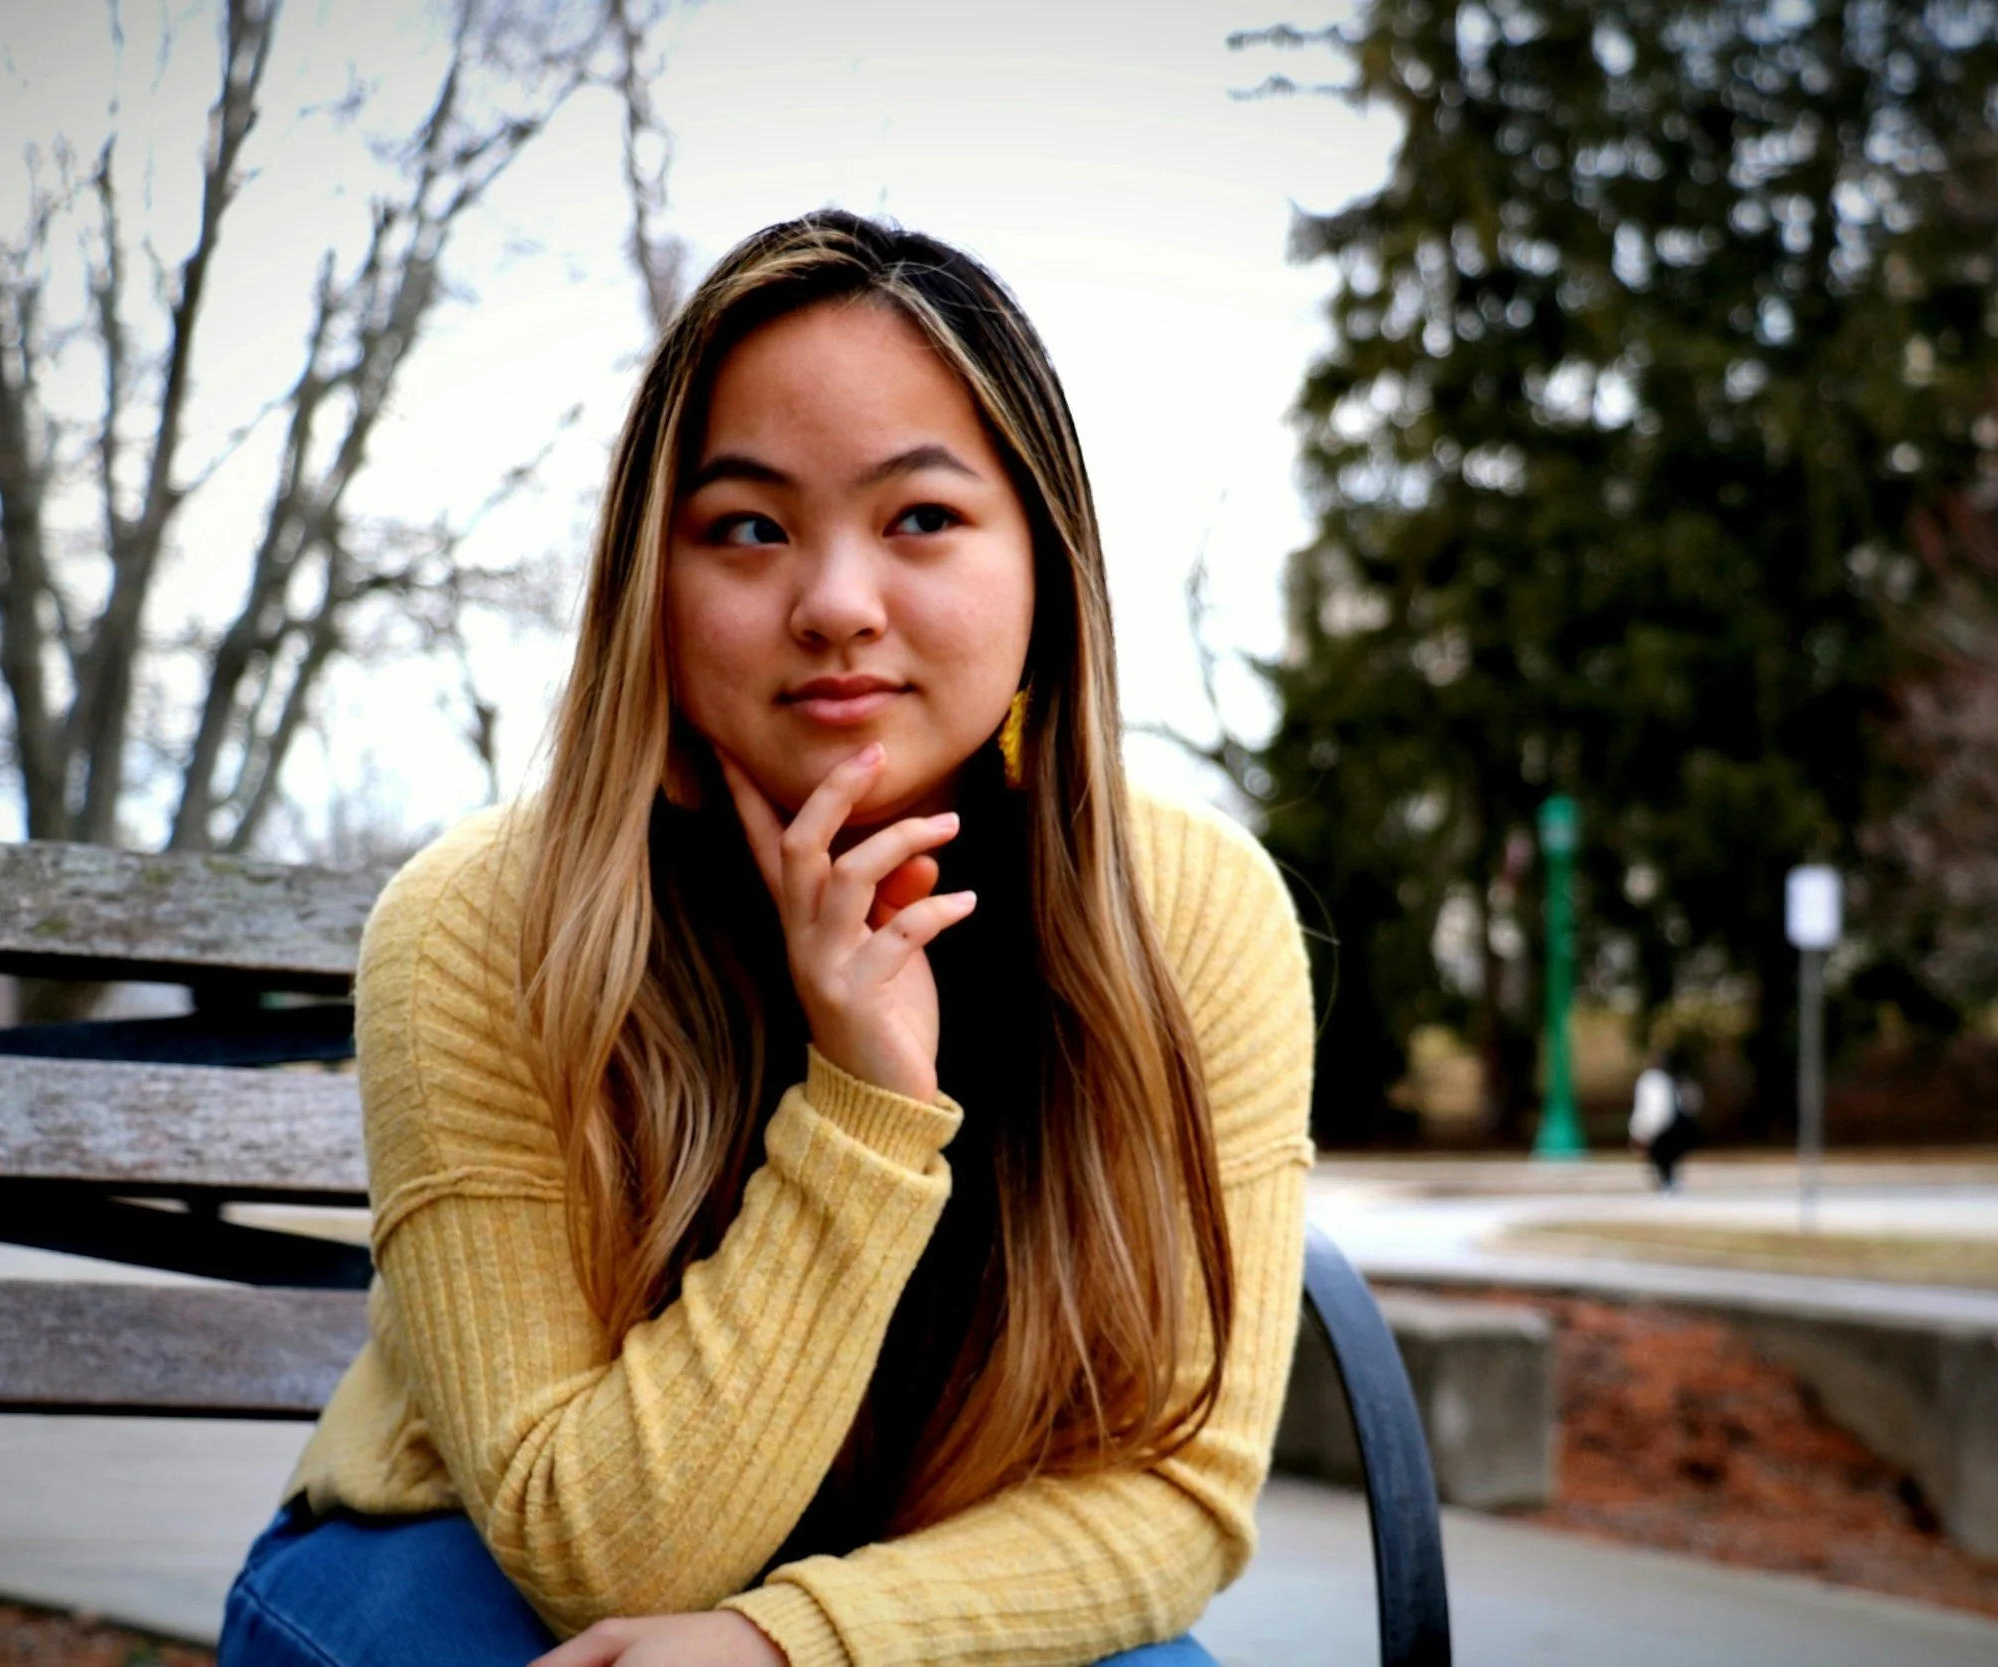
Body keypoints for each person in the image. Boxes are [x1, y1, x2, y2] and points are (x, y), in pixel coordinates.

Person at [217, 211, 1316, 1667]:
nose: (837, 606)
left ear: (1045, 566)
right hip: (464, 1572)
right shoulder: (483, 925)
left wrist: (795, 1640)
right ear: (651, 586)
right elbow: (602, 1554)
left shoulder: (1192, 919)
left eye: (922, 517)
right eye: (748, 526)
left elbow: (1174, 1488)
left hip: (924, 1591)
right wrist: (867, 1103)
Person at [1629, 1052, 1702, 1193]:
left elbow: (1652, 1108)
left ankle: (1667, 1182)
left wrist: (1642, 1129)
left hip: (1661, 1127)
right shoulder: (1659, 1080)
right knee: (1663, 1160)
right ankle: (1667, 1182)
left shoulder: (1654, 1080)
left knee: (1662, 1159)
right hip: (1664, 1125)